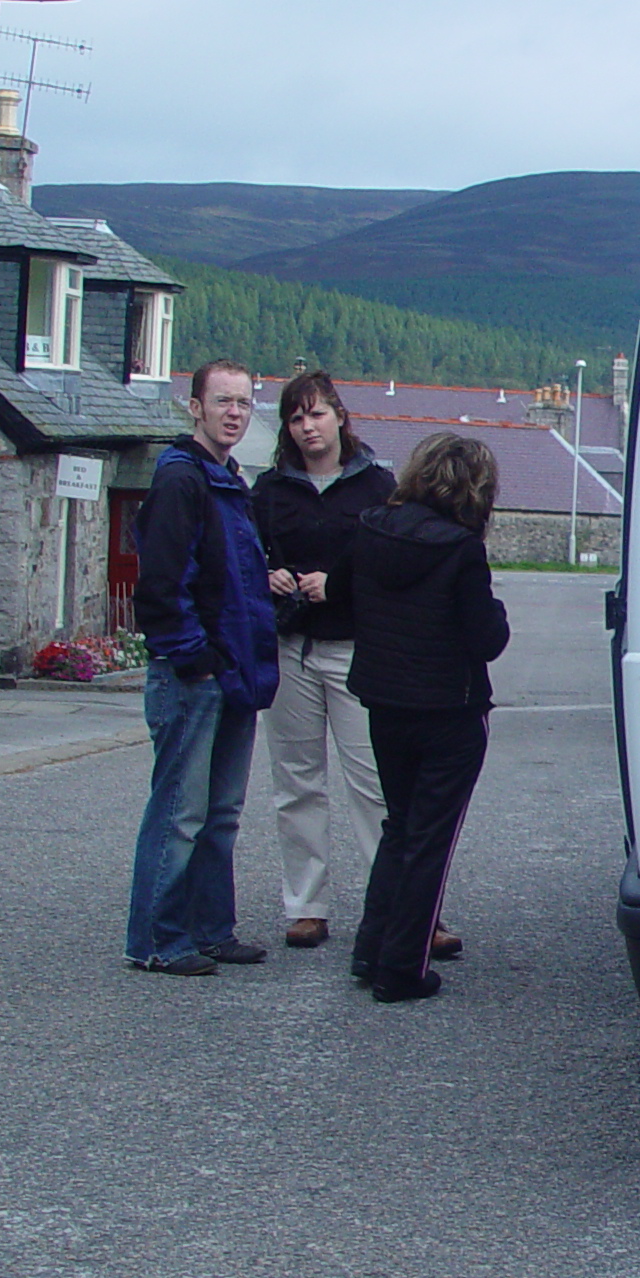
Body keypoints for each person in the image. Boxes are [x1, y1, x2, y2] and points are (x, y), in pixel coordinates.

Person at [334, 432, 509, 1002]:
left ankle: (373, 947)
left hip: (385, 702)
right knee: (431, 838)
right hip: (449, 710)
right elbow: (486, 640)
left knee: (400, 827)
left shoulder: (370, 527)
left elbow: (340, 598)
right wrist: (498, 608)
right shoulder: (461, 550)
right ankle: (402, 967)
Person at [124, 359, 279, 976]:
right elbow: (162, 584)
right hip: (195, 674)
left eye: (244, 402)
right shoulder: (181, 482)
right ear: (195, 407)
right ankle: (159, 940)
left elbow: (229, 580)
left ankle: (212, 930)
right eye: (223, 401)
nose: (235, 412)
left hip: (233, 672)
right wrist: (195, 658)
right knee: (179, 814)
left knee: (221, 814)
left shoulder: (228, 482)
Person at [252, 371, 401, 951]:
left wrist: (337, 583)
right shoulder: (269, 491)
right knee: (296, 781)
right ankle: (306, 904)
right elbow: (248, 556)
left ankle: (391, 904)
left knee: (372, 783)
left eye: (316, 414)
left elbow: (391, 565)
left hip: (352, 649)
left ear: (339, 416)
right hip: (290, 647)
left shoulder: (376, 487)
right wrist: (268, 576)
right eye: (296, 418)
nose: (308, 426)